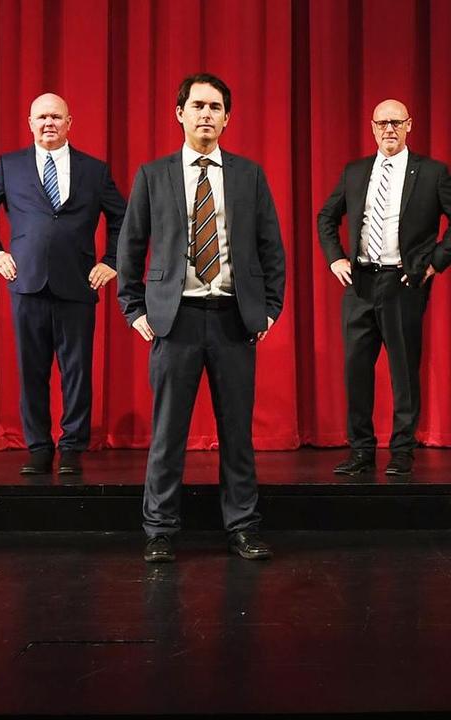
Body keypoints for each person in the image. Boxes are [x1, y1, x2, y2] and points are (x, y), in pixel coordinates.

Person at [117, 74, 286, 563]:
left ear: (227, 118)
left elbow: (271, 247)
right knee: (168, 433)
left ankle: (242, 527)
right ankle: (160, 531)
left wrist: (269, 308)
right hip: (176, 319)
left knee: (237, 433)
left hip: (235, 318)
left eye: (215, 107)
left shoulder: (249, 175)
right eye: (198, 106)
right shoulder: (154, 174)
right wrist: (133, 309)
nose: (206, 114)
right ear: (180, 113)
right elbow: (130, 247)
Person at [0, 93, 126, 475]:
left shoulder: (94, 170)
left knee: (77, 371)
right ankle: (38, 446)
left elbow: (125, 219)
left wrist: (112, 262)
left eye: (56, 116)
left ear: (70, 122)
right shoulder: (10, 166)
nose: (49, 123)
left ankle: (72, 447)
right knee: (32, 371)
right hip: (28, 285)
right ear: (30, 123)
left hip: (78, 284)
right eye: (42, 117)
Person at [317, 99, 451, 477]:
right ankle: (361, 451)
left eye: (396, 122)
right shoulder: (356, 171)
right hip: (360, 282)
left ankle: (402, 452)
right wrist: (335, 258)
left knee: (403, 371)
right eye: (382, 123)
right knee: (356, 369)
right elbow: (327, 216)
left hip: (402, 283)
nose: (389, 129)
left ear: (409, 125)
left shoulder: (432, 172)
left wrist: (434, 263)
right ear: (372, 127)